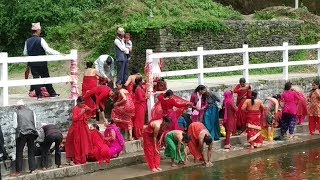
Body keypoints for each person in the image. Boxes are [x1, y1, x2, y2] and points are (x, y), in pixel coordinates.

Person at [23, 22, 60, 100]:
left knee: (36, 78)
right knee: (46, 77)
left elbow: (25, 53)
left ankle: (39, 95)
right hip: (42, 63)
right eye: (40, 30)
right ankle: (52, 93)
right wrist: (58, 53)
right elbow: (48, 50)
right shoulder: (41, 40)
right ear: (38, 30)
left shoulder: (27, 41)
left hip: (32, 63)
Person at [12, 100, 38, 175]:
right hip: (32, 133)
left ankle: (18, 171)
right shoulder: (31, 111)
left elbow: (15, 126)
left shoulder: (16, 112)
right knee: (31, 151)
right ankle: (32, 169)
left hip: (21, 133)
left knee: (19, 152)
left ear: (17, 106)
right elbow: (35, 124)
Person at [65, 96, 92, 165]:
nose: (82, 105)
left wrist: (87, 109)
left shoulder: (84, 106)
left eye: (83, 103)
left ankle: (84, 157)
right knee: (77, 142)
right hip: (77, 127)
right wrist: (81, 113)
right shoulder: (75, 108)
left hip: (83, 127)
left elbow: (90, 110)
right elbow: (74, 119)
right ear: (78, 102)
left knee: (84, 142)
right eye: (81, 103)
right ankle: (77, 158)